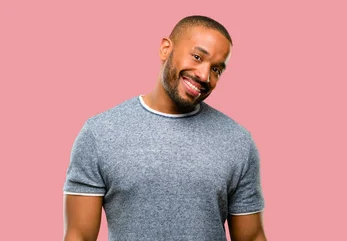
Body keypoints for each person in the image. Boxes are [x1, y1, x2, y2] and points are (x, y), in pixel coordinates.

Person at [62, 15, 267, 241]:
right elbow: (78, 235)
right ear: (165, 49)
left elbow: (252, 237)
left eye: (217, 69)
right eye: (197, 56)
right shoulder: (99, 134)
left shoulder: (237, 141)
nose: (204, 75)